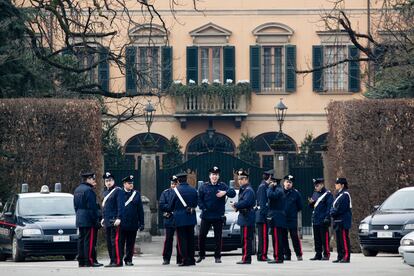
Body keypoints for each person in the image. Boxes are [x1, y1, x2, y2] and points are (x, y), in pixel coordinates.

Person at [197, 166, 236, 263]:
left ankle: (217, 256)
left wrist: (225, 192)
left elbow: (233, 193)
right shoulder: (204, 186)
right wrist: (203, 208)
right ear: (210, 176)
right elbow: (199, 199)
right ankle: (201, 255)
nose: (214, 177)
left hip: (218, 216)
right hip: (206, 216)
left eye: (216, 175)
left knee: (218, 237)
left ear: (218, 176)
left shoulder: (222, 186)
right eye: (213, 175)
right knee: (202, 236)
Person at [168, 172, 198, 266]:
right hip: (191, 217)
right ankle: (192, 259)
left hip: (179, 219)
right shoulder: (193, 190)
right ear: (186, 179)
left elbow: (170, 206)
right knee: (191, 239)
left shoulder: (176, 191)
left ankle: (185, 259)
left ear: (178, 180)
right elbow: (195, 204)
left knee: (182, 240)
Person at [73, 172, 100, 267]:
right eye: (92, 179)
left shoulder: (77, 190)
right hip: (88, 219)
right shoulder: (89, 190)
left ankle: (81, 260)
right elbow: (92, 207)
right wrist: (96, 219)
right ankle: (89, 260)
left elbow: (75, 206)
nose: (93, 181)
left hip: (80, 218)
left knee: (81, 240)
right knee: (89, 241)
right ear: (88, 179)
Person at [231, 169, 256, 265]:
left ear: (246, 180)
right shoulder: (244, 190)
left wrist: (236, 204)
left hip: (247, 217)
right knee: (244, 239)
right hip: (244, 217)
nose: (240, 181)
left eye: (242, 179)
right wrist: (237, 206)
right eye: (239, 179)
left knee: (246, 239)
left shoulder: (248, 190)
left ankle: (246, 258)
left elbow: (246, 202)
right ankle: (245, 257)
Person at [120, 175, 145, 266]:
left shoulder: (136, 194)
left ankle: (129, 259)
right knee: (121, 242)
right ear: (124, 184)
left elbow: (140, 210)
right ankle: (119, 258)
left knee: (131, 243)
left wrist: (142, 223)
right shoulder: (119, 193)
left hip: (133, 223)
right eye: (129, 183)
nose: (131, 185)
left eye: (132, 183)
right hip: (122, 223)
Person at [101, 172, 125, 267]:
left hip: (115, 220)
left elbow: (120, 206)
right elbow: (105, 207)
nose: (108, 182)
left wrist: (119, 217)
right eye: (106, 181)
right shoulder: (105, 192)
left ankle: (118, 261)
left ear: (113, 181)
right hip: (107, 221)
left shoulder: (118, 191)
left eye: (110, 180)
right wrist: (103, 218)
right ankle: (112, 260)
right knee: (109, 242)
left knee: (116, 241)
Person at [308, 178, 333, 261]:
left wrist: (327, 217)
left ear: (322, 185)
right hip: (315, 219)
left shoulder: (328, 194)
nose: (316, 187)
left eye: (317, 185)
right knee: (317, 238)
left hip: (323, 219)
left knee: (324, 238)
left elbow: (329, 207)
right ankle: (318, 254)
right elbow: (312, 206)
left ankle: (326, 254)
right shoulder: (315, 193)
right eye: (315, 186)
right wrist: (310, 203)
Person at [159, 175, 182, 265]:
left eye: (175, 184)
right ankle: (166, 258)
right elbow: (161, 205)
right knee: (168, 239)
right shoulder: (165, 193)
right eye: (172, 184)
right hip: (169, 218)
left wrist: (170, 208)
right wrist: (169, 209)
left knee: (180, 240)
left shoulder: (181, 193)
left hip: (179, 218)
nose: (173, 185)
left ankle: (180, 258)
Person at [330, 177, 352, 263]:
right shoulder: (339, 194)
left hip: (343, 220)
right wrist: (332, 211)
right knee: (339, 240)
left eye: (337, 183)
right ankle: (340, 256)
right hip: (337, 220)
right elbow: (333, 207)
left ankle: (346, 256)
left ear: (342, 185)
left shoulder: (345, 195)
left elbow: (341, 209)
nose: (335, 185)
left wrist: (333, 212)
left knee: (344, 239)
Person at [282, 175, 303, 261]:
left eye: (290, 182)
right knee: (283, 237)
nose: (288, 184)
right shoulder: (280, 192)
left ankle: (299, 254)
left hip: (292, 218)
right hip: (282, 218)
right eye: (287, 182)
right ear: (284, 183)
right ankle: (287, 254)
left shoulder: (296, 193)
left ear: (292, 184)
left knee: (294, 236)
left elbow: (300, 206)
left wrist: (293, 211)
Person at [267, 176, 286, 264]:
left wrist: (270, 187)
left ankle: (278, 257)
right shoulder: (278, 189)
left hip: (277, 218)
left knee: (277, 238)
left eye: (271, 182)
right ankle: (278, 256)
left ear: (275, 182)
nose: (270, 184)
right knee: (275, 238)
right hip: (276, 217)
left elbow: (270, 195)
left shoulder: (278, 190)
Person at [255, 170, 273, 262]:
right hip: (262, 216)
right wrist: (266, 216)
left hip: (262, 215)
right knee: (263, 237)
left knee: (263, 236)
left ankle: (261, 255)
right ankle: (262, 255)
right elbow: (262, 203)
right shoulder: (263, 187)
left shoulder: (264, 186)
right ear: (269, 177)